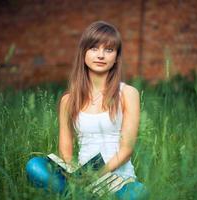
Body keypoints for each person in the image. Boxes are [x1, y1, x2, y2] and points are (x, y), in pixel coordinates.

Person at [26, 21, 148, 199]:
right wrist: (78, 178)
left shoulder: (128, 93)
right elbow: (66, 152)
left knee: (139, 193)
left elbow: (126, 149)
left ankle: (80, 196)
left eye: (109, 50)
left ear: (117, 57)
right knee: (34, 166)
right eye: (93, 48)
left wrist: (96, 176)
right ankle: (78, 194)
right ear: (83, 53)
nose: (100, 55)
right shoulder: (68, 100)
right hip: (81, 180)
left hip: (118, 180)